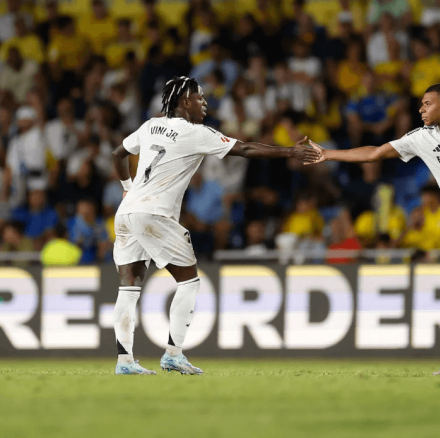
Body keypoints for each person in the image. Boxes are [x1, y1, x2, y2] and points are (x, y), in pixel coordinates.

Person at [111, 76, 319, 375]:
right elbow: (246, 150)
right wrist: (290, 152)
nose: (204, 103)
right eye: (199, 97)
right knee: (189, 281)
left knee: (129, 286)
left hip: (127, 212)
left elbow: (118, 154)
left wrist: (127, 188)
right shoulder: (195, 133)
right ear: (184, 102)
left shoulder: (148, 126)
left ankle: (124, 361)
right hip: (154, 213)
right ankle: (173, 354)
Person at [307, 83, 440, 376]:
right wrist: (329, 154)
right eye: (420, 104)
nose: (421, 109)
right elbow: (375, 153)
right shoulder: (422, 138)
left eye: (427, 103)